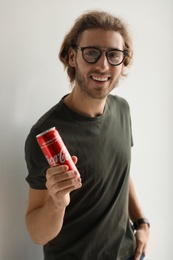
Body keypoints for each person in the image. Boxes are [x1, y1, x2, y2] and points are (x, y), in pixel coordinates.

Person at [25, 10, 150, 260]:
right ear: (73, 57)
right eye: (92, 53)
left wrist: (141, 222)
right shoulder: (46, 135)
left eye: (113, 55)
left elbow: (119, 173)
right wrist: (57, 202)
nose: (103, 65)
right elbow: (38, 234)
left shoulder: (122, 109)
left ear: (123, 61)